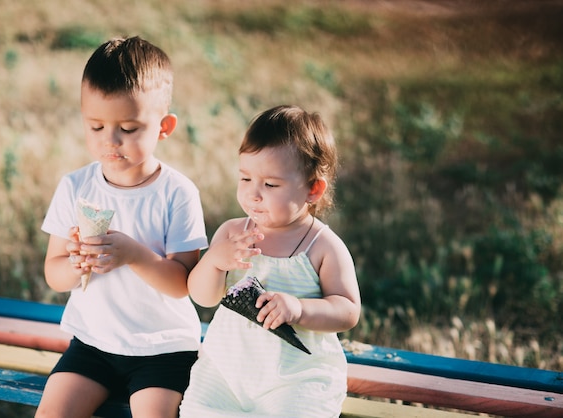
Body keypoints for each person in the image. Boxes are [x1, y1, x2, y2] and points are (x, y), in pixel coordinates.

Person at [36, 36, 208, 418]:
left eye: (128, 129)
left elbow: (183, 285)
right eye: (95, 126)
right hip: (94, 342)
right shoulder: (75, 187)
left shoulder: (177, 193)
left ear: (164, 127)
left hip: (162, 349)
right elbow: (54, 272)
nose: (109, 141)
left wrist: (134, 255)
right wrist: (76, 263)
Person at [179, 105, 361, 418]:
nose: (253, 194)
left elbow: (347, 310)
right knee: (198, 410)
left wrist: (300, 309)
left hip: (296, 377)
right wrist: (213, 263)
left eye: (270, 184)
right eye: (245, 178)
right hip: (226, 372)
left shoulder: (322, 246)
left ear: (313, 189)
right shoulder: (233, 233)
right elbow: (202, 296)